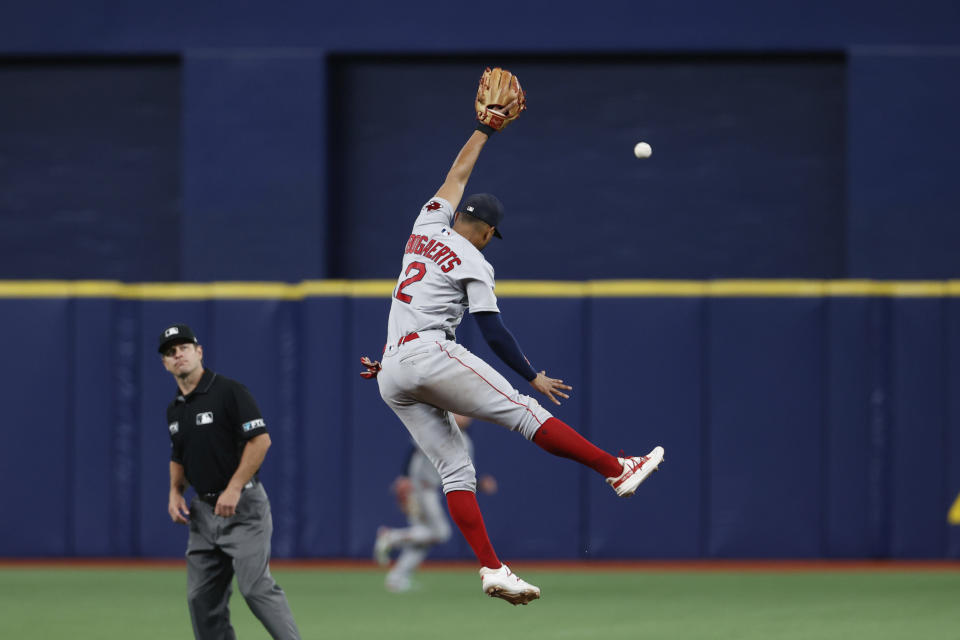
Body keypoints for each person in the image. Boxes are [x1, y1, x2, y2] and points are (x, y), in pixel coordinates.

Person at [359, 67, 665, 606]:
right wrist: (533, 375)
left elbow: (455, 175)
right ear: (485, 229)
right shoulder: (474, 259)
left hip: (389, 369)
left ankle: (493, 569)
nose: (491, 241)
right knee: (524, 411)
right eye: (492, 234)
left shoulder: (426, 225)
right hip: (426, 352)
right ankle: (617, 470)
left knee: (456, 469)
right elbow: (493, 331)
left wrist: (485, 131)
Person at [159, 323, 301, 640]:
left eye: (183, 347)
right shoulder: (175, 409)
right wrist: (174, 491)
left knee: (255, 588)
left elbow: (260, 441)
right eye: (170, 352)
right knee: (201, 599)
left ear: (199, 352)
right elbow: (178, 455)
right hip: (203, 514)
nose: (177, 353)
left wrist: (235, 487)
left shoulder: (228, 391)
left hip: (244, 509)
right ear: (165, 364)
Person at [373, 414, 497, 593]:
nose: (464, 417)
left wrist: (481, 485)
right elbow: (413, 451)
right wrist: (404, 478)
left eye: (466, 414)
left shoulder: (466, 442)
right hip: (420, 488)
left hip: (430, 489)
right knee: (441, 533)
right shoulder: (437, 429)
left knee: (425, 537)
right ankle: (391, 537)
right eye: (458, 412)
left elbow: (464, 477)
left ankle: (397, 578)